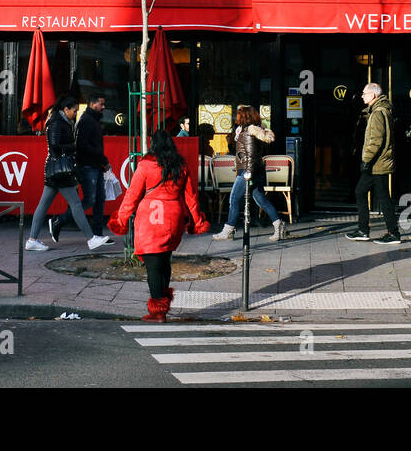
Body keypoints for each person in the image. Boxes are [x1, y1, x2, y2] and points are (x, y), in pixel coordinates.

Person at [110, 129, 211, 322]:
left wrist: (121, 220)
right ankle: (162, 307)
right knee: (165, 261)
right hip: (173, 219)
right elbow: (191, 197)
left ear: (153, 145)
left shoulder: (146, 166)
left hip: (151, 219)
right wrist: (197, 222)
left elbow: (132, 195)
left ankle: (158, 311)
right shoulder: (180, 165)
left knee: (153, 267)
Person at [25, 95, 112, 252]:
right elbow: (55, 146)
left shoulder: (59, 121)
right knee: (76, 204)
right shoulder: (57, 123)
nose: (75, 113)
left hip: (55, 169)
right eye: (74, 110)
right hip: (60, 170)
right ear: (65, 109)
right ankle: (91, 238)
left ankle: (32, 239)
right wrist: (74, 147)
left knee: (44, 204)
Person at [213, 105, 286, 242]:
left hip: (247, 172)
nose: (236, 117)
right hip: (254, 170)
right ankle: (278, 225)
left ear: (245, 116)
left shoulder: (248, 133)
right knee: (261, 200)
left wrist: (247, 174)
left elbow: (250, 156)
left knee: (234, 199)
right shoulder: (251, 131)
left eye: (238, 115)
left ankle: (228, 230)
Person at [49, 94, 112, 244]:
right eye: (101, 104)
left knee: (99, 200)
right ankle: (60, 221)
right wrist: (100, 157)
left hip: (94, 165)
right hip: (87, 166)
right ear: (92, 103)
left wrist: (102, 160)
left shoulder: (92, 120)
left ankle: (97, 234)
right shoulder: (86, 121)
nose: (103, 107)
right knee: (89, 200)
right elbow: (82, 146)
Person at [346, 82, 401, 244]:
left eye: (364, 93)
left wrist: (366, 160)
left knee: (382, 197)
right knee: (362, 192)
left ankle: (392, 233)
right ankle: (364, 230)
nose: (362, 95)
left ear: (373, 95)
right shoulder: (380, 110)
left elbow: (376, 140)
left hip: (377, 163)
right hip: (378, 162)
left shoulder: (378, 113)